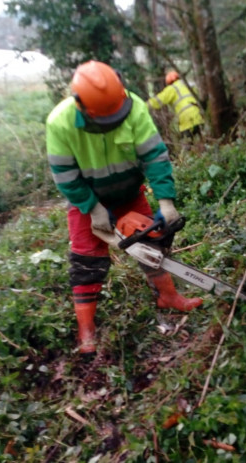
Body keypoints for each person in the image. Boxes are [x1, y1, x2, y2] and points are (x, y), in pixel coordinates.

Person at [46, 60, 203, 355]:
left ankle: (167, 296)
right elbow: (64, 175)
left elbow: (154, 156)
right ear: (80, 104)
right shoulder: (60, 122)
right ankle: (87, 330)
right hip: (87, 200)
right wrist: (92, 208)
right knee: (86, 261)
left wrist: (166, 201)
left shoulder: (135, 107)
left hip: (129, 191)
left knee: (152, 246)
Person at [147, 71, 204, 141]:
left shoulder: (171, 89)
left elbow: (158, 101)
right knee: (204, 140)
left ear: (168, 82)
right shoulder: (188, 83)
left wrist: (144, 105)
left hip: (186, 120)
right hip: (199, 115)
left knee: (187, 144)